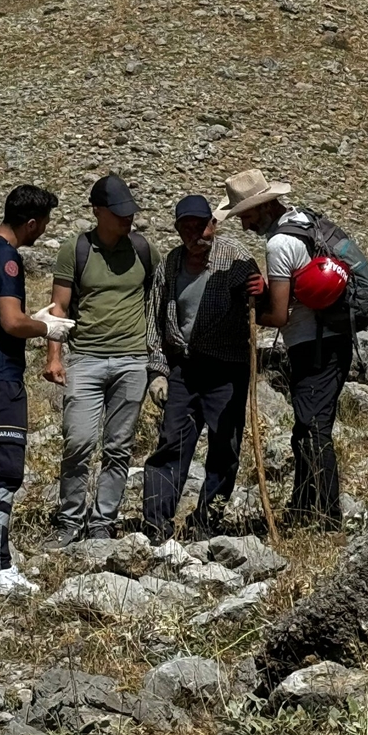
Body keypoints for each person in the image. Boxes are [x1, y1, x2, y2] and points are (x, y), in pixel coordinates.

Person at [0, 184, 74, 596]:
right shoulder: (7, 258)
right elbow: (9, 321)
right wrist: (47, 327)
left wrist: (30, 317)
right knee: (4, 473)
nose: (40, 234)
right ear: (30, 222)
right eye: (41, 226)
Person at [222, 168, 350, 530]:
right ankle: (304, 507)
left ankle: (326, 517)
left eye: (246, 215)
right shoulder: (304, 221)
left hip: (313, 346)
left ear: (263, 207)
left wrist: (245, 312)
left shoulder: (279, 244)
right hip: (333, 340)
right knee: (307, 429)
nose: (245, 225)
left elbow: (278, 315)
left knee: (312, 430)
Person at [43, 174, 160, 547]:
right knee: (77, 441)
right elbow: (58, 307)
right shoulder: (75, 250)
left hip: (132, 360)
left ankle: (102, 522)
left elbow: (158, 300)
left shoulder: (144, 250)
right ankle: (69, 521)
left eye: (130, 212)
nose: (128, 219)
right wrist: (55, 357)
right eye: (119, 212)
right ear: (97, 211)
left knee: (119, 445)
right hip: (86, 358)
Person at [142, 195, 261, 543]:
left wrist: (261, 290)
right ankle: (156, 526)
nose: (198, 233)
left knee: (225, 445)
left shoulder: (236, 258)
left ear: (215, 223)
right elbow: (155, 320)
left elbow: (260, 303)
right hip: (183, 367)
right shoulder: (170, 265)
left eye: (203, 224)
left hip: (227, 369)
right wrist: (158, 370)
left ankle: (207, 522)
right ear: (178, 229)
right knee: (171, 444)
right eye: (188, 227)